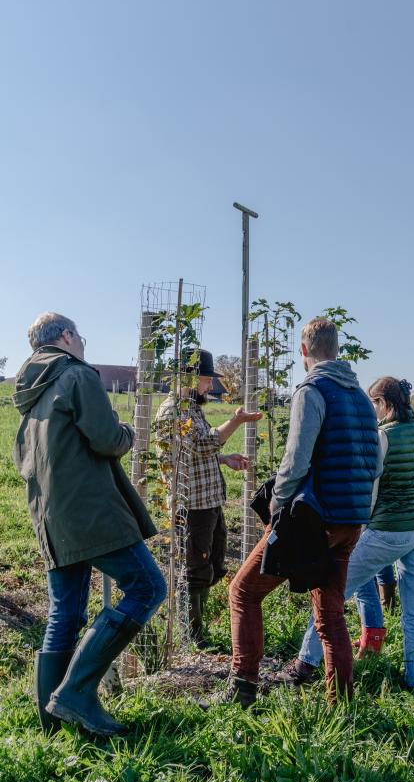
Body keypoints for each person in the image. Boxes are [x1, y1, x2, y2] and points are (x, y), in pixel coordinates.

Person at [13, 312, 167, 736]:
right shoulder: (76, 375)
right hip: (91, 512)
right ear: (66, 336)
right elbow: (107, 439)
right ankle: (76, 694)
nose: (82, 343)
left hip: (50, 516)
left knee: (64, 613)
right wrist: (127, 433)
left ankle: (52, 723)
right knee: (148, 587)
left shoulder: (29, 393)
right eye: (80, 336)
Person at [227, 317, 380, 706]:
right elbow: (375, 463)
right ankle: (340, 703)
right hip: (351, 520)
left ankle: (243, 687)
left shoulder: (312, 391)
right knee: (330, 616)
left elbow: (296, 458)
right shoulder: (362, 399)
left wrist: (277, 502)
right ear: (337, 349)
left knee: (243, 592)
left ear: (304, 350)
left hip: (313, 519)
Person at [284, 377, 414, 689]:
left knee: (332, 594)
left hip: (389, 530)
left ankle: (304, 664)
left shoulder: (383, 436)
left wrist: (359, 528)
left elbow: (372, 489)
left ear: (384, 403)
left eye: (374, 404)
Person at [154, 349, 261, 645]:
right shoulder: (173, 411)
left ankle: (198, 629)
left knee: (212, 562)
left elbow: (194, 453)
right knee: (195, 568)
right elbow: (201, 445)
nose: (209, 385)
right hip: (192, 505)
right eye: (205, 379)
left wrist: (223, 459)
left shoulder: (191, 407)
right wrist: (236, 421)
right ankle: (193, 637)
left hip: (209, 500)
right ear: (190, 378)